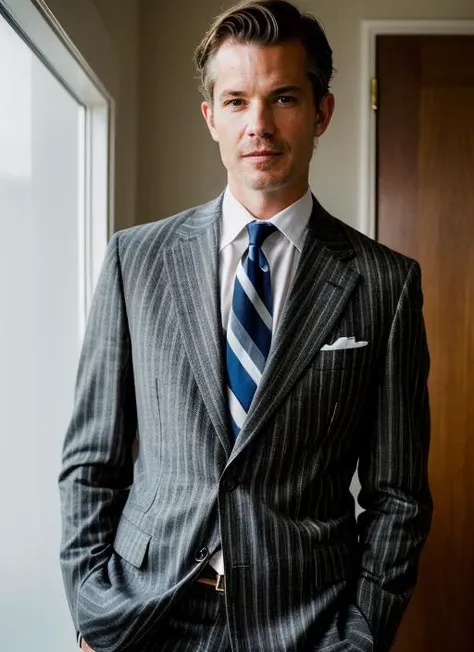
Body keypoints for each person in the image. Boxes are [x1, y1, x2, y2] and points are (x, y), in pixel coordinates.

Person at [58, 1, 433, 651]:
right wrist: (93, 604)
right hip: (145, 617)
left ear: (321, 112)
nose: (258, 124)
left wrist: (361, 634)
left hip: (306, 625)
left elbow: (398, 496)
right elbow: (92, 460)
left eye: (282, 97)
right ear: (211, 117)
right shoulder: (135, 259)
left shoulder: (385, 284)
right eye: (236, 101)